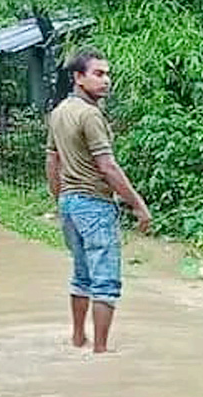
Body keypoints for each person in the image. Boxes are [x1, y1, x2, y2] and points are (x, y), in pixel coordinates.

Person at [45, 48, 152, 353]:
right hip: (94, 204)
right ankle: (101, 352)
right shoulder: (90, 115)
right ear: (79, 78)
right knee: (105, 281)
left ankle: (79, 338)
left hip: (69, 202)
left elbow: (52, 161)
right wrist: (138, 204)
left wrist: (60, 196)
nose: (107, 80)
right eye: (99, 74)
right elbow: (107, 166)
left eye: (107, 74)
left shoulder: (60, 111)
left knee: (81, 275)